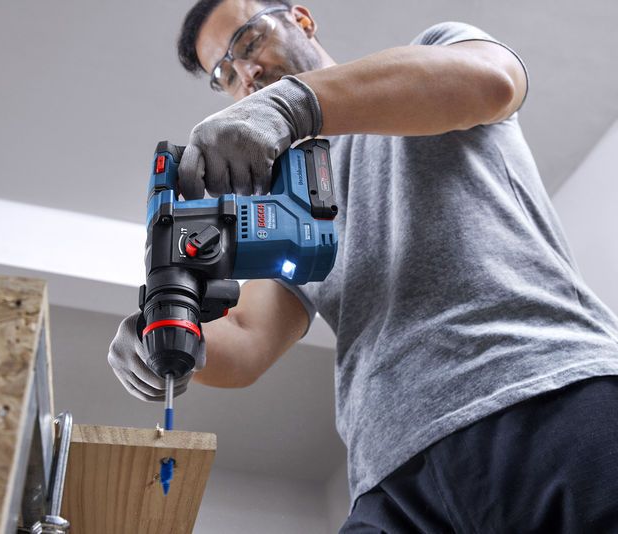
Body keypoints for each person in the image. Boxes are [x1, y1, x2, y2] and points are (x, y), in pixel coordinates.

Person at [108, 1, 618, 531]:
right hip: (391, 479)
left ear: (301, 19)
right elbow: (248, 342)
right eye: (225, 73)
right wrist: (169, 331)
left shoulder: (436, 53)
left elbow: (492, 82)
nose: (246, 74)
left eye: (249, 42)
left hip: (543, 395)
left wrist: (293, 107)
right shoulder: (292, 200)